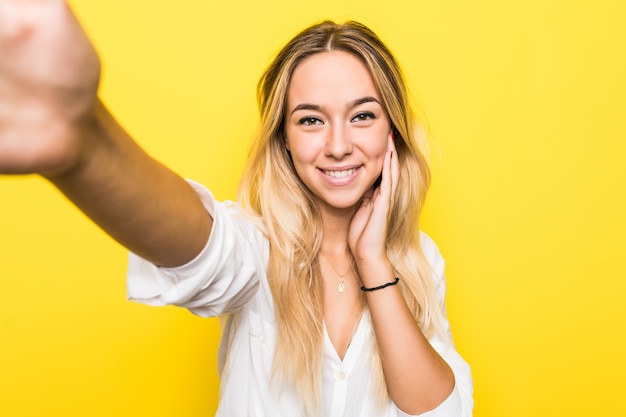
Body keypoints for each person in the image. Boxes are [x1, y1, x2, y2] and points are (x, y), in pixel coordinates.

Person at [0, 1, 473, 416]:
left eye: (362, 115)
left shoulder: (419, 260)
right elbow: (203, 248)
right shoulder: (259, 246)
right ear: (284, 140)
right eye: (310, 119)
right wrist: (84, 146)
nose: (337, 145)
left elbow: (438, 411)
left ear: (392, 133)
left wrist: (373, 262)